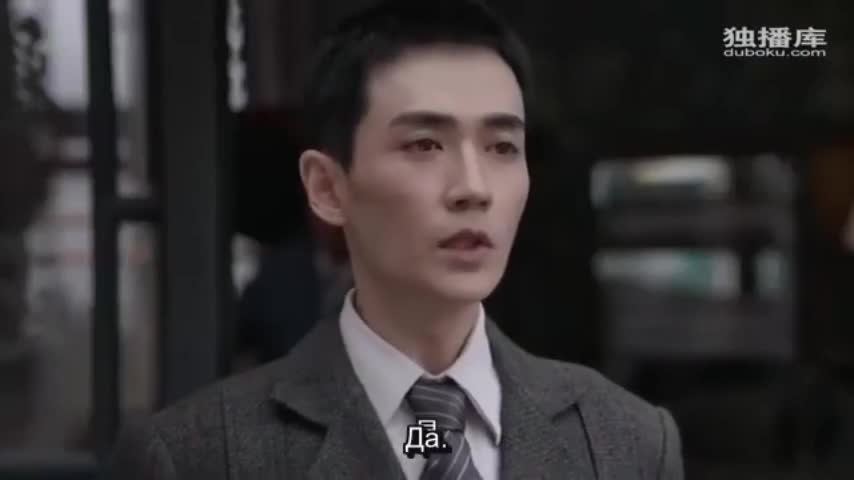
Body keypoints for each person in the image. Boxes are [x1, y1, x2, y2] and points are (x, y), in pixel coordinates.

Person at [109, 1, 684, 478]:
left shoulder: (628, 441)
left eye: (502, 147)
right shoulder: (199, 456)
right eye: (424, 145)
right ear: (327, 187)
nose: (473, 188)